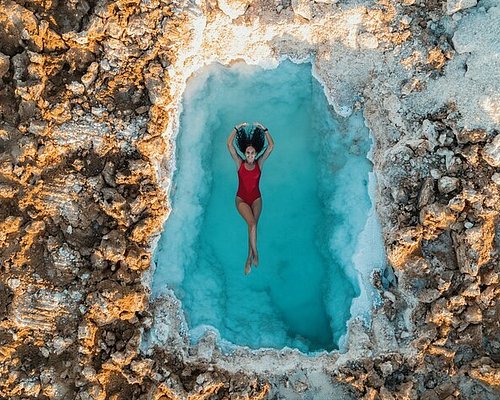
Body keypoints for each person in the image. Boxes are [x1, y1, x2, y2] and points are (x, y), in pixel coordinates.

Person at [226, 122, 274, 275]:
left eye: (252, 153)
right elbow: (229, 144)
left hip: (256, 199)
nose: (250, 155)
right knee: (252, 225)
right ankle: (255, 252)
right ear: (245, 153)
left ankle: (248, 258)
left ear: (255, 153)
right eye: (248, 153)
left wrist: (265, 130)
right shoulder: (239, 163)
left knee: (252, 227)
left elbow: (271, 146)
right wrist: (236, 128)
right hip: (241, 199)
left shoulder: (259, 163)